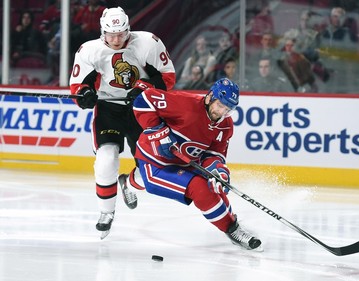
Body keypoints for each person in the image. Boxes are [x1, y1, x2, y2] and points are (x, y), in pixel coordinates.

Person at [69, 7, 176, 239]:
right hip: (109, 110)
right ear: (102, 32)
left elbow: (167, 77)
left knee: (151, 168)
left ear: (129, 29)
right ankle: (106, 212)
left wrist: (144, 89)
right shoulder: (89, 51)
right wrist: (85, 95)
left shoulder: (147, 42)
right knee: (106, 159)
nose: (116, 40)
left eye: (121, 34)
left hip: (143, 110)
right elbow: (78, 88)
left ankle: (128, 183)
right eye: (111, 35)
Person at [131, 78, 262, 251]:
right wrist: (159, 132)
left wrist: (218, 171)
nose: (222, 113)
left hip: (184, 162)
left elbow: (214, 154)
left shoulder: (225, 126)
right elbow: (143, 100)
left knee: (215, 187)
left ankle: (127, 182)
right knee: (200, 189)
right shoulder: (185, 104)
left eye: (227, 109)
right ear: (210, 97)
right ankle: (232, 230)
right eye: (220, 106)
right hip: (155, 163)